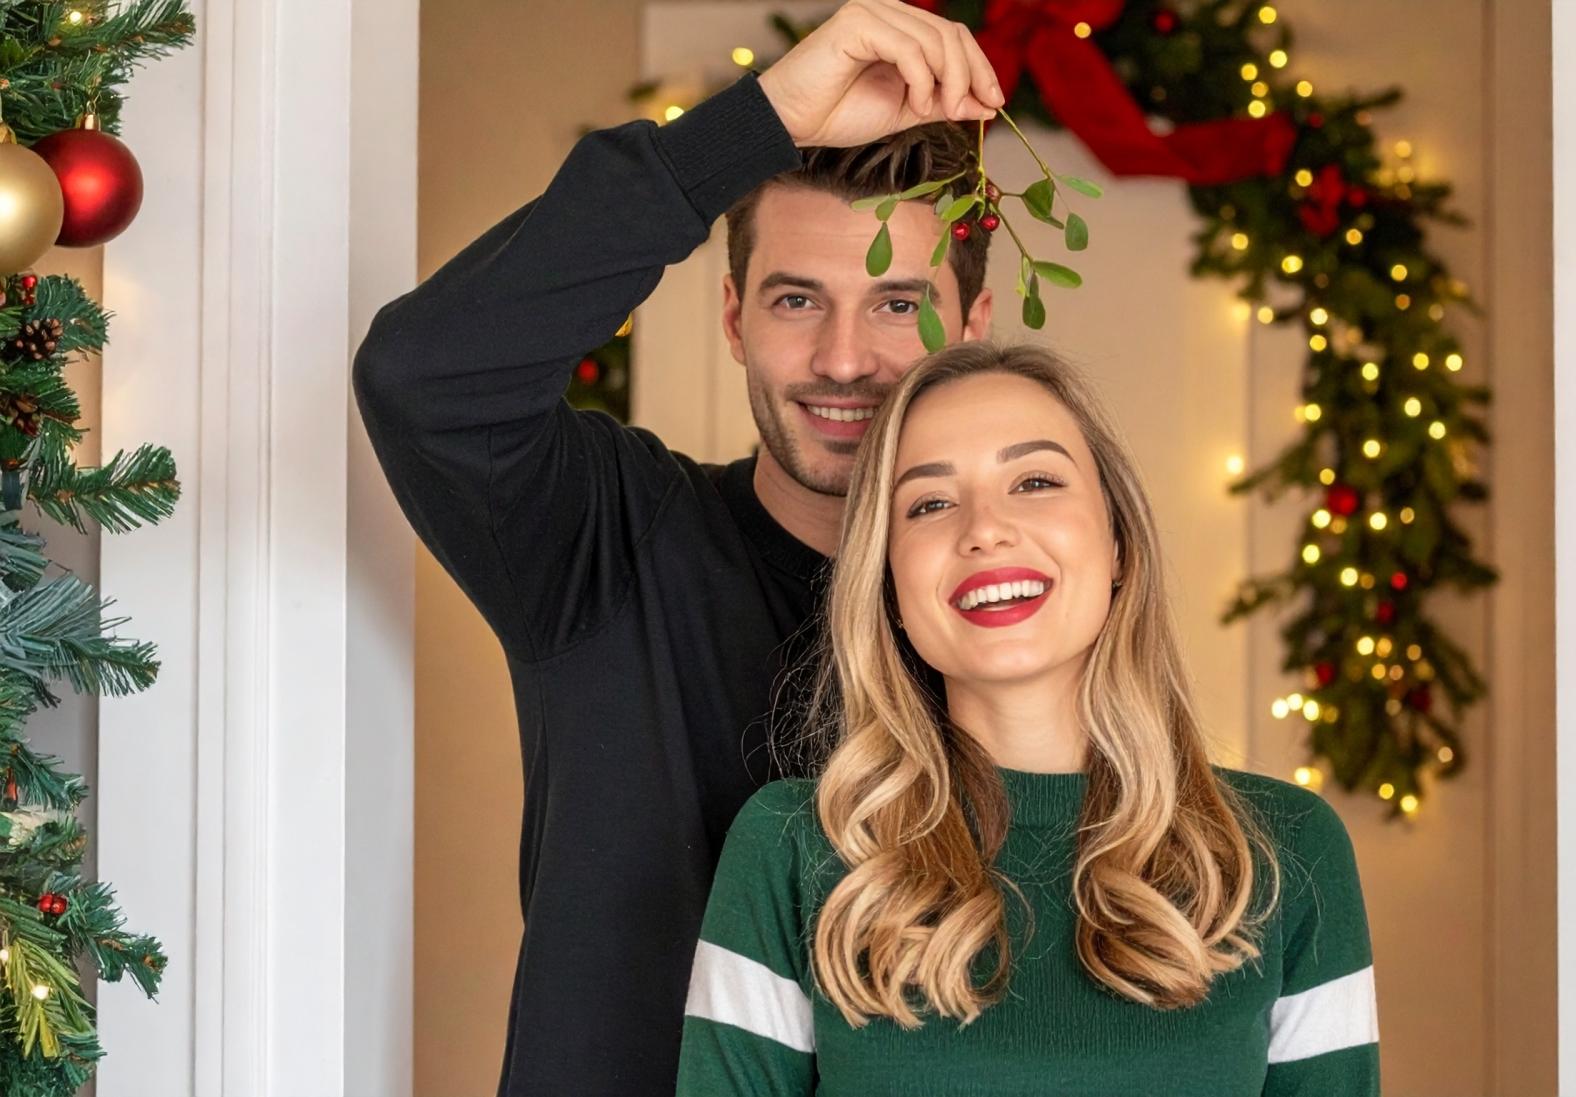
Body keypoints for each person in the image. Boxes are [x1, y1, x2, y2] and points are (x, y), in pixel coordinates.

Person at [350, 2, 1007, 1092]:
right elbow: (424, 377)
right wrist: (756, 122)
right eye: (799, 299)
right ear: (735, 315)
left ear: (972, 325)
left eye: (898, 302)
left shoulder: (1018, 608)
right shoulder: (607, 541)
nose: (844, 360)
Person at [678, 342, 1380, 1096]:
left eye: (1035, 481)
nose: (985, 529)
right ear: (887, 582)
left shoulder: (1287, 852)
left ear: (1117, 542)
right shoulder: (792, 850)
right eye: (930, 503)